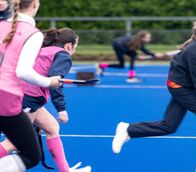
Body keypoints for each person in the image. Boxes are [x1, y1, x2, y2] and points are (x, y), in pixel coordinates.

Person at [112, 17, 196, 172]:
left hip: (188, 85)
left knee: (169, 126)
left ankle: (128, 129)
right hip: (180, 86)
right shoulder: (194, 53)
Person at [0, 27, 92, 172]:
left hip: (24, 96)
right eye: (75, 47)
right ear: (69, 46)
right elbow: (55, 82)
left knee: (52, 128)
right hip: (28, 99)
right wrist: (61, 109)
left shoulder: (41, 50)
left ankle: (65, 170)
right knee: (15, 143)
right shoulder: (63, 56)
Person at [0, 0, 61, 171]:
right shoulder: (32, 34)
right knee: (30, 155)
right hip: (5, 99)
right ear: (35, 4)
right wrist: (50, 82)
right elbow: (23, 72)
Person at [96, 31, 163, 82]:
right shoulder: (138, 40)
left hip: (116, 44)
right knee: (132, 56)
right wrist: (155, 54)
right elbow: (145, 51)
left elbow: (137, 50)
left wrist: (137, 56)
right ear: (143, 37)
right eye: (148, 37)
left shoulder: (137, 40)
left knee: (121, 65)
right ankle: (131, 77)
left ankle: (102, 65)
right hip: (119, 45)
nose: (149, 39)